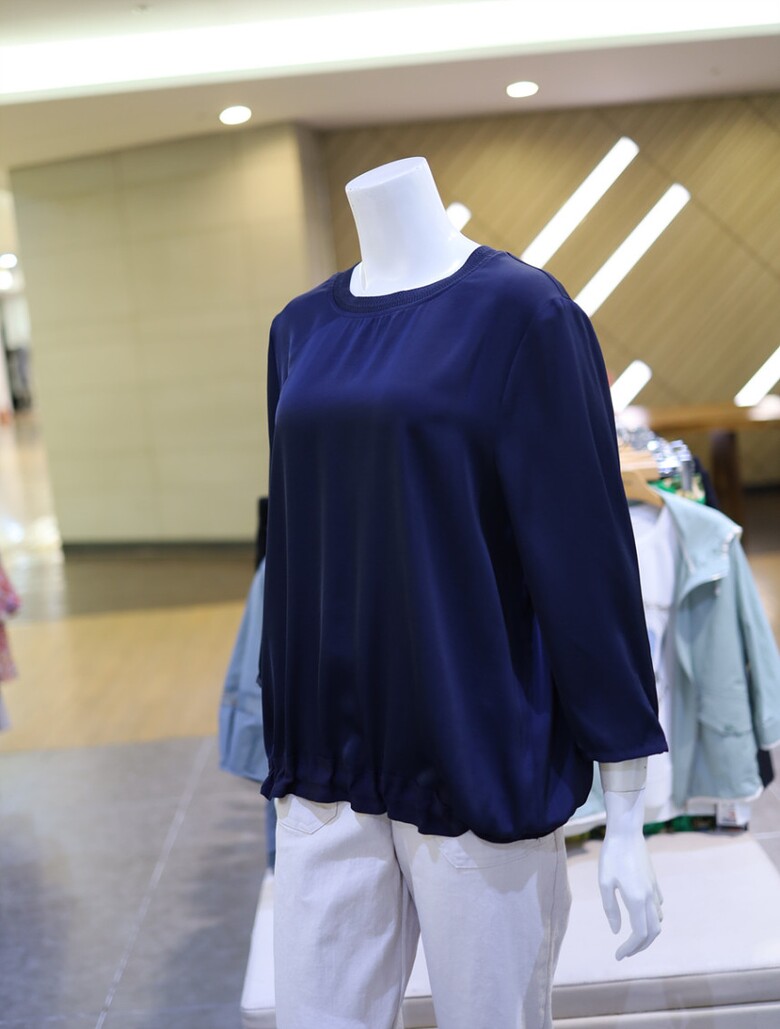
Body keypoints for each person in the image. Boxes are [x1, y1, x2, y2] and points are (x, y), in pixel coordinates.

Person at [259, 156, 668, 1029]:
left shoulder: (523, 313)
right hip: (326, 764)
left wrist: (627, 799)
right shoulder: (297, 329)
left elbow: (583, 552)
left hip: (474, 749)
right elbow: (295, 543)